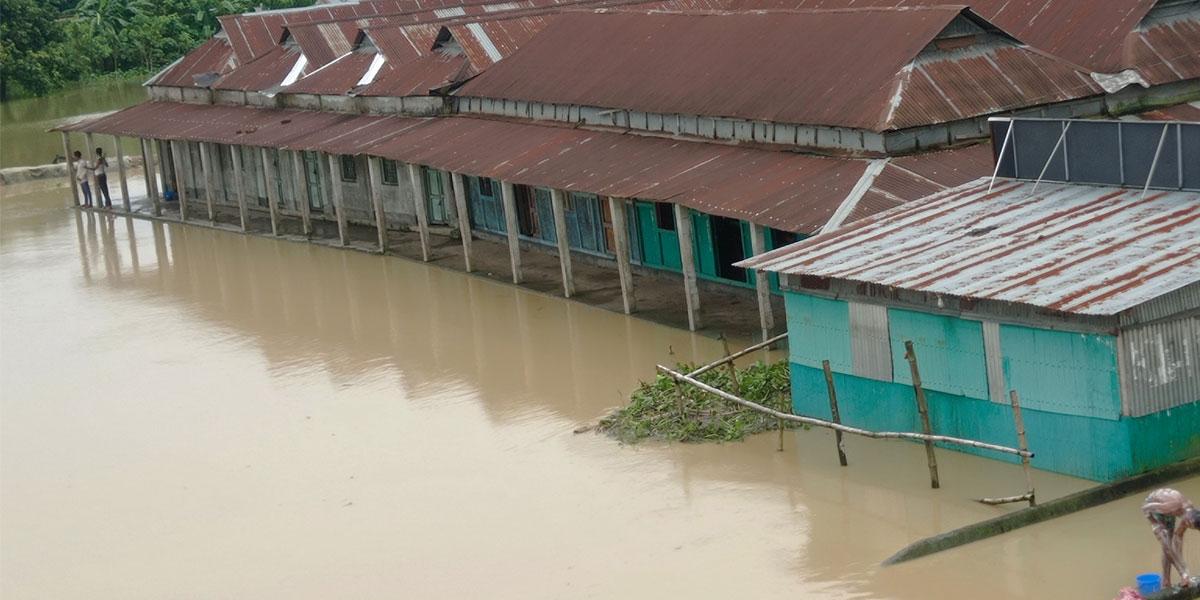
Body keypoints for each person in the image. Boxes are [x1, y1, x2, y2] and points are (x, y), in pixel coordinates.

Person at [1142, 488, 1200, 588]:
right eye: (1188, 523)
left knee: (1169, 544)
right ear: (1190, 519)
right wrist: (1154, 523)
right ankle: (1173, 579)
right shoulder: (1171, 506)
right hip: (1155, 509)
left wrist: (1182, 563)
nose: (1186, 525)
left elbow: (1178, 536)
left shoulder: (1190, 513)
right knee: (1166, 543)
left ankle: (1167, 581)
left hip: (1169, 512)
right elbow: (1145, 508)